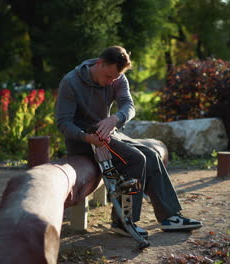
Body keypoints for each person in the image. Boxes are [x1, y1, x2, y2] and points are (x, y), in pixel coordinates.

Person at [55, 46, 202, 238]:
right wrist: (87, 137)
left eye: (115, 78)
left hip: (108, 133)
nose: (111, 82)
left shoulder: (117, 77)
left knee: (151, 154)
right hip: (84, 140)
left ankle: (170, 216)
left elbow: (128, 106)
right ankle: (122, 222)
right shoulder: (71, 82)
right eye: (108, 77)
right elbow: (63, 123)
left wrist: (115, 118)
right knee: (136, 159)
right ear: (99, 64)